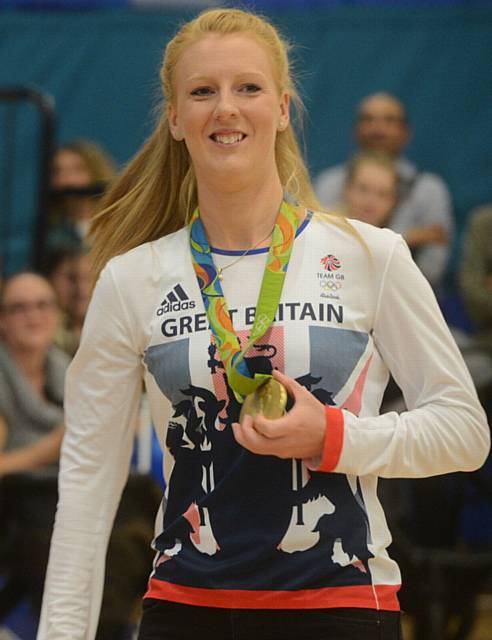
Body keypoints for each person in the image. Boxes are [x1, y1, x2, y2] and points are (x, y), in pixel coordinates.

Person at [38, 8, 489, 640]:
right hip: (184, 611)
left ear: (281, 107)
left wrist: (335, 437)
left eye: (247, 88)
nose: (225, 108)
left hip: (341, 608)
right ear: (175, 118)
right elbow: (87, 481)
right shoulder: (130, 278)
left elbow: (464, 431)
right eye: (202, 91)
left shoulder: (371, 256)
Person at [314, 93, 454, 292]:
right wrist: (407, 238)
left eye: (389, 120)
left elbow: (431, 271)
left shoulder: (429, 188)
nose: (378, 129)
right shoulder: (329, 183)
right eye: (368, 119)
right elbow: (319, 253)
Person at [0, 272, 67, 621]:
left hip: (67, 498)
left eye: (43, 305)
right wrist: (57, 445)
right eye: (19, 308)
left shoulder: (67, 369)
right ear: (3, 320)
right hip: (16, 511)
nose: (34, 316)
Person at [47, 139, 116, 251]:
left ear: (96, 173)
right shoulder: (50, 234)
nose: (65, 178)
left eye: (77, 170)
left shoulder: (119, 225)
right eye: (57, 171)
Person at [341, 151, 398, 227]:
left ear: (392, 202)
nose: (370, 202)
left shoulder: (395, 238)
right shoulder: (323, 234)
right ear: (347, 189)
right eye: (363, 189)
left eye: (382, 194)